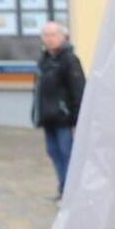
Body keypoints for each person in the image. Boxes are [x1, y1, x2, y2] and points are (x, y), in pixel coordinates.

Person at [31, 21, 85, 197]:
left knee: (67, 155)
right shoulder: (44, 60)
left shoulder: (69, 60)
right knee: (54, 153)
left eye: (53, 35)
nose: (49, 39)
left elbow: (78, 90)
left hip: (64, 118)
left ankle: (71, 192)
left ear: (62, 36)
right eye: (46, 35)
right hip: (48, 117)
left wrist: (77, 121)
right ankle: (63, 188)